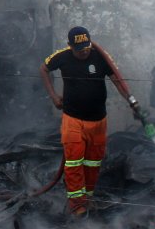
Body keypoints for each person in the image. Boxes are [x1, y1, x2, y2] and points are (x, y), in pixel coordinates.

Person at [40, 26, 143, 216]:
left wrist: (131, 101)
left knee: (92, 163)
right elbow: (44, 69)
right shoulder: (62, 57)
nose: (84, 52)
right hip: (73, 119)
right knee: (73, 163)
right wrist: (53, 96)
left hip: (98, 120)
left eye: (87, 47)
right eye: (80, 50)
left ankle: (88, 198)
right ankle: (77, 206)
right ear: (70, 46)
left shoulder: (100, 57)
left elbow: (117, 80)